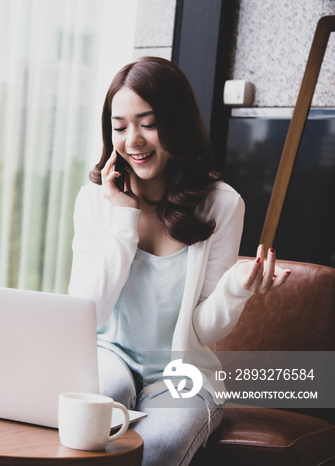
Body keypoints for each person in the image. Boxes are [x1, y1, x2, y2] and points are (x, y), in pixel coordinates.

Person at [67, 56, 291, 466]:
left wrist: (237, 288)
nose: (132, 140)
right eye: (120, 127)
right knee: (98, 401)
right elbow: (88, 312)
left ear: (176, 123)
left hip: (183, 377)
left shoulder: (222, 205)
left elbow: (205, 328)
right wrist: (123, 220)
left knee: (159, 448)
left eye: (148, 124)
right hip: (107, 355)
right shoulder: (93, 201)